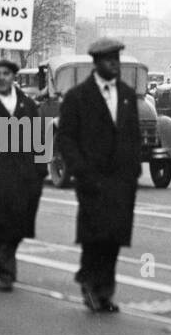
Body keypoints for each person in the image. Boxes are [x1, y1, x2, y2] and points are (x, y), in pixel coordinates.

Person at [55, 38, 142, 313]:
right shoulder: (78, 96)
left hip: (121, 181)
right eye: (108, 60)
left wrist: (133, 170)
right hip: (92, 179)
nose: (114, 65)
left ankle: (106, 291)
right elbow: (66, 138)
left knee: (115, 236)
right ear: (96, 63)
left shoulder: (127, 94)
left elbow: (132, 135)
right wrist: (80, 170)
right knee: (94, 236)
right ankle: (90, 284)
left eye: (116, 59)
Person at [0, 57, 47, 291]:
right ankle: (6, 271)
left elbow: (40, 139)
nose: (2, 78)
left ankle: (4, 249)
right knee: (0, 220)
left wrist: (40, 171)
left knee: (19, 223)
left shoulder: (28, 104)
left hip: (25, 177)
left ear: (13, 77)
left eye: (6, 73)